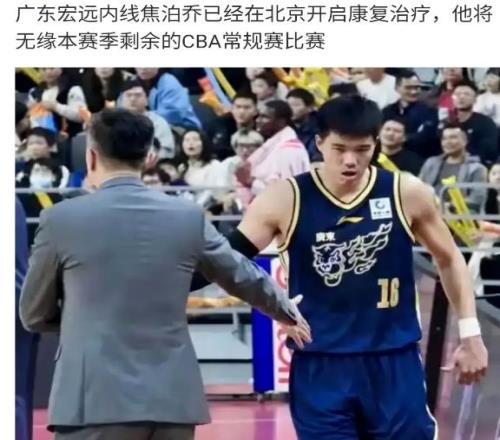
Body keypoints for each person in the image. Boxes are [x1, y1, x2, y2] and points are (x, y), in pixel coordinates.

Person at [192, 95, 488, 439]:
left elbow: (449, 258)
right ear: (319, 143)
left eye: (362, 150)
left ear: (376, 145)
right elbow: (225, 262)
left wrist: (470, 333)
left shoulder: (405, 191)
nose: (351, 160)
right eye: (340, 149)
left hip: (394, 360)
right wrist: (159, 279)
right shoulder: (285, 198)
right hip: (320, 363)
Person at [19, 109, 309, 440]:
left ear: (91, 156)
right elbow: (242, 274)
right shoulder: (187, 216)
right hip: (172, 402)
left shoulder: (60, 219)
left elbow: (33, 314)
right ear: (149, 157)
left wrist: (82, 320)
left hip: (93, 401)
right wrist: (286, 311)